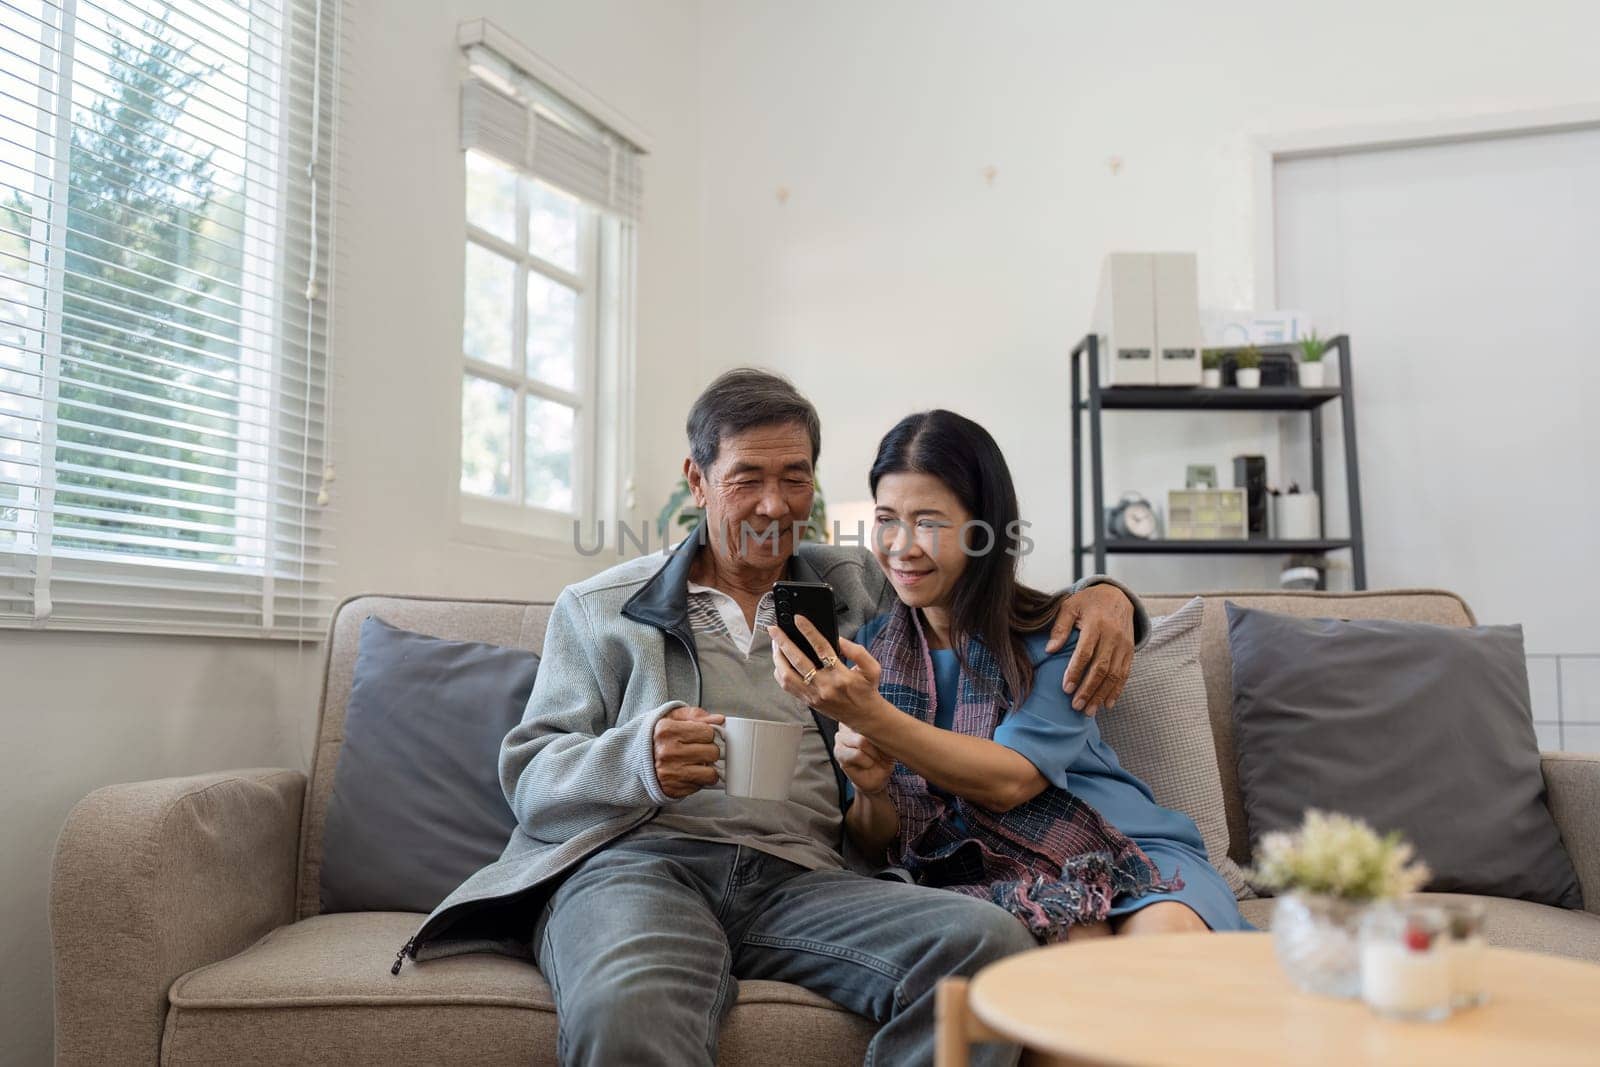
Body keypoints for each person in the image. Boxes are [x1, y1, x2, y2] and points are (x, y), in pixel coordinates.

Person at [393, 371, 1150, 1066]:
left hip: (803, 878)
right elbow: (530, 774)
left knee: (988, 946)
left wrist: (1108, 593)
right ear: (697, 479)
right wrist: (636, 760)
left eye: (795, 478)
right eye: (747, 477)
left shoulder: (857, 587)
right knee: (629, 1012)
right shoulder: (599, 609)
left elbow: (976, 575)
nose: (774, 503)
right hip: (641, 867)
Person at [769, 409, 1248, 942]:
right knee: (1069, 956)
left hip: (1118, 845)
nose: (902, 546)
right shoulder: (875, 650)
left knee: (1165, 943)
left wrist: (871, 716)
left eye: (928, 521)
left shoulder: (1057, 633)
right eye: (886, 519)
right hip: (982, 871)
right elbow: (875, 841)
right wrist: (872, 791)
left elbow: (1010, 781)